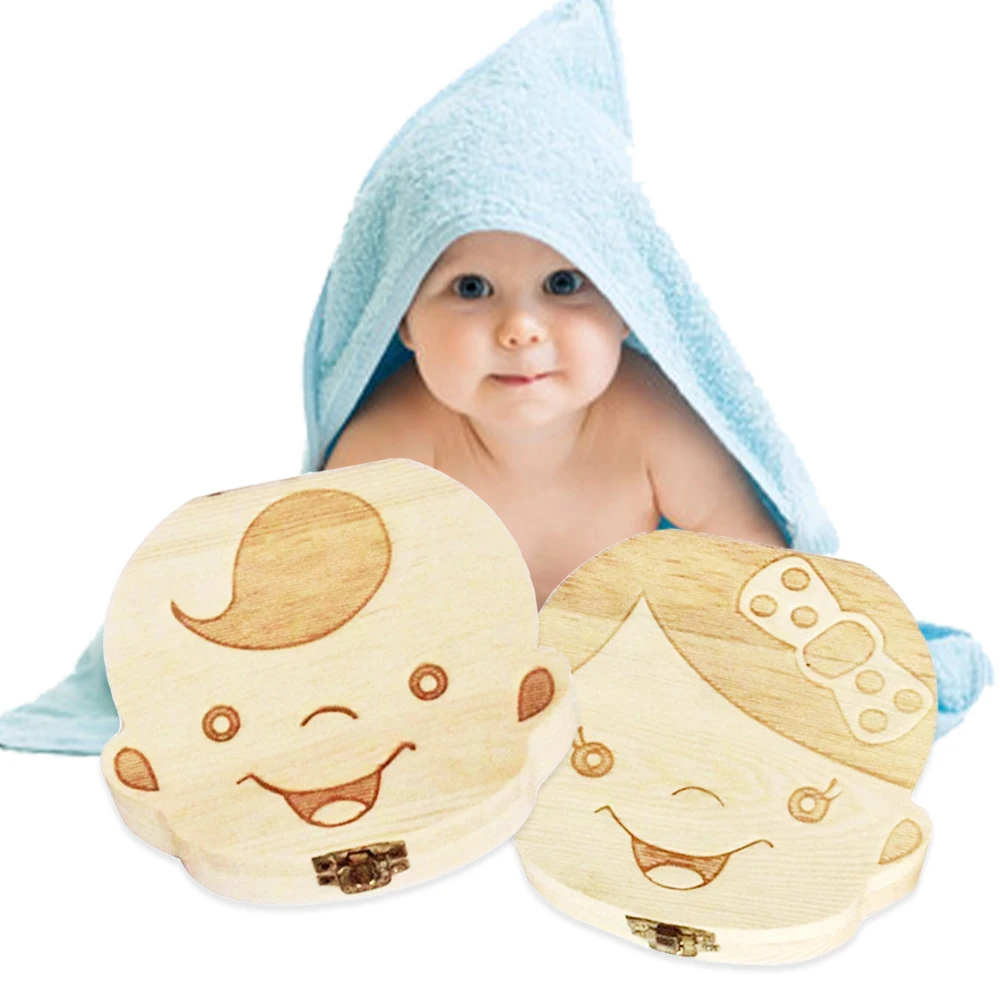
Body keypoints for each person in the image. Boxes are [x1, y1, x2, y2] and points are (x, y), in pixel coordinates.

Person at [325, 229, 786, 609]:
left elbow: (752, 558)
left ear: (625, 303)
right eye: (471, 288)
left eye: (563, 283)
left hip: (615, 653)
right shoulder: (393, 444)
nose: (521, 329)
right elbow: (323, 595)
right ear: (404, 319)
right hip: (449, 669)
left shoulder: (653, 420)